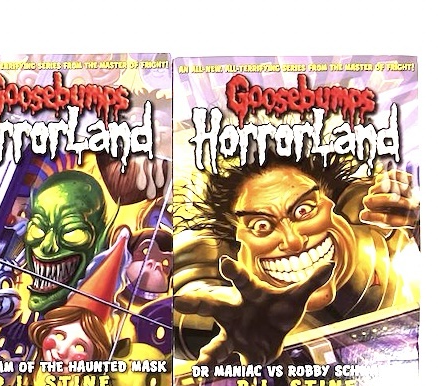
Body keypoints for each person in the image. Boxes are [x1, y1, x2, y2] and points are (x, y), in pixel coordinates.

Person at [175, 155, 418, 367]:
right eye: (261, 225)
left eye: (304, 210)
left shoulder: (373, 223)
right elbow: (183, 300)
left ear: (332, 205)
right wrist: (229, 321)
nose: (293, 241)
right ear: (237, 247)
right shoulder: (211, 256)